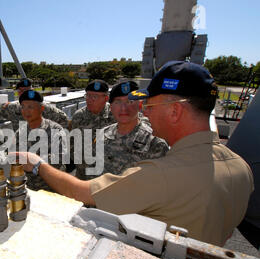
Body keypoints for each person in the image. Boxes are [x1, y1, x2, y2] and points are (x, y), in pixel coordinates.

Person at [15, 61, 254, 247]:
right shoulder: (241, 168)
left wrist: (36, 164)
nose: (146, 113)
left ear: (175, 111)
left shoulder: (163, 173)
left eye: (149, 106)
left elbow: (84, 192)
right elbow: (226, 233)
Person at [81, 81, 169, 180]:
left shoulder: (155, 143)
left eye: (130, 102)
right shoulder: (101, 135)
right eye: (118, 102)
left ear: (139, 105)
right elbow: (92, 174)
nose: (123, 108)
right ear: (111, 107)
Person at [13, 90, 67, 192]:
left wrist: (33, 162)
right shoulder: (20, 132)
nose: (26, 111)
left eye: (30, 107)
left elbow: (59, 159)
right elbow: (17, 159)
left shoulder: (55, 129)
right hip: (30, 188)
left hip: (53, 188)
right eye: (23, 107)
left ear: (41, 108)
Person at [70, 79, 116, 179]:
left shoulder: (116, 114)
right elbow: (72, 144)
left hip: (109, 175)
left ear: (106, 98)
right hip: (84, 174)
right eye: (88, 95)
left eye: (94, 96)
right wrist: (82, 164)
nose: (89, 99)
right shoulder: (79, 116)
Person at [0, 78, 69, 131]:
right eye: (21, 91)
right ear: (18, 93)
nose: (24, 94)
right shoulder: (14, 108)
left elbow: (64, 120)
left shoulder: (46, 109)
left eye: (27, 91)